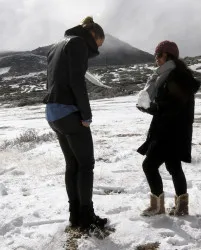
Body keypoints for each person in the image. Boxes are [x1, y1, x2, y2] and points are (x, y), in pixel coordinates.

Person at [43, 16, 108, 231]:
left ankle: (75, 216)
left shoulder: (57, 46)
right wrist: (86, 115)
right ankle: (87, 218)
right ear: (93, 35)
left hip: (53, 113)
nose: (98, 49)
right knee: (86, 165)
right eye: (99, 43)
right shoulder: (78, 43)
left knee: (73, 165)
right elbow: (76, 80)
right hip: (69, 112)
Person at [136, 40, 200, 216]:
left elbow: (174, 106)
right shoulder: (168, 75)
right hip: (170, 129)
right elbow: (166, 106)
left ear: (167, 55)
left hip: (171, 131)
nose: (156, 59)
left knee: (149, 165)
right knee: (173, 166)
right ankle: (182, 206)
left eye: (158, 55)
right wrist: (147, 106)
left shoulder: (178, 77)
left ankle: (157, 206)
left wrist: (153, 107)